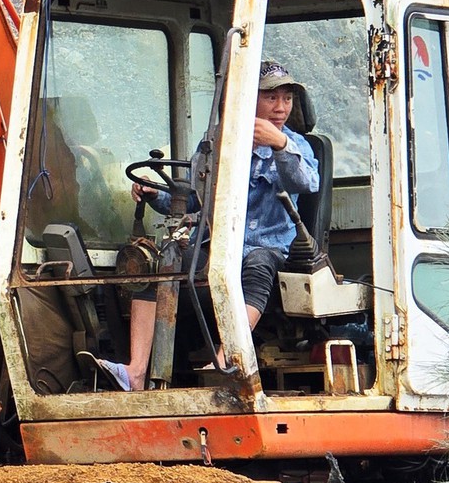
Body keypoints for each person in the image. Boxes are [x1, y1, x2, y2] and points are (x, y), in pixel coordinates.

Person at [117, 60, 320, 388]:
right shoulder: (216, 144)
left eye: (287, 99)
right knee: (155, 267)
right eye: (271, 98)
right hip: (216, 245)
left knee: (256, 266)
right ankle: (136, 370)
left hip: (269, 247)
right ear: (246, 99)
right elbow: (196, 199)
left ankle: (225, 358)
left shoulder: (297, 146)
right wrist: (156, 194)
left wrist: (279, 144)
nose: (281, 107)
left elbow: (306, 183)